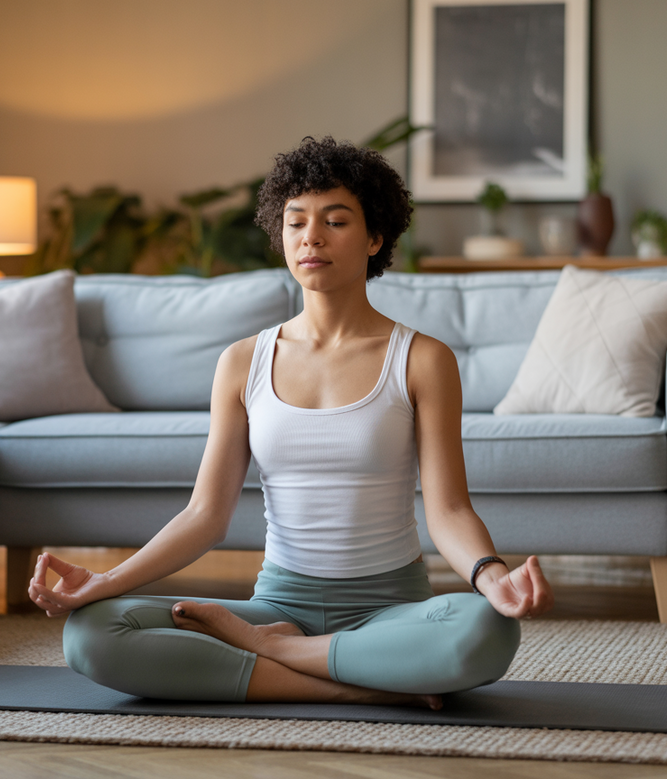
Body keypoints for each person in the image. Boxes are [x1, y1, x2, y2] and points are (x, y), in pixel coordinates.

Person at [28, 136, 554, 708]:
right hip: (278, 605)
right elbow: (205, 516)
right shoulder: (241, 363)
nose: (312, 236)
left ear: (376, 237)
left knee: (487, 629)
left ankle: (271, 652)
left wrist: (491, 577)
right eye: (295, 221)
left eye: (335, 220)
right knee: (92, 633)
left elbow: (449, 510)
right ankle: (365, 687)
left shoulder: (423, 359)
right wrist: (104, 584)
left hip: (390, 610)